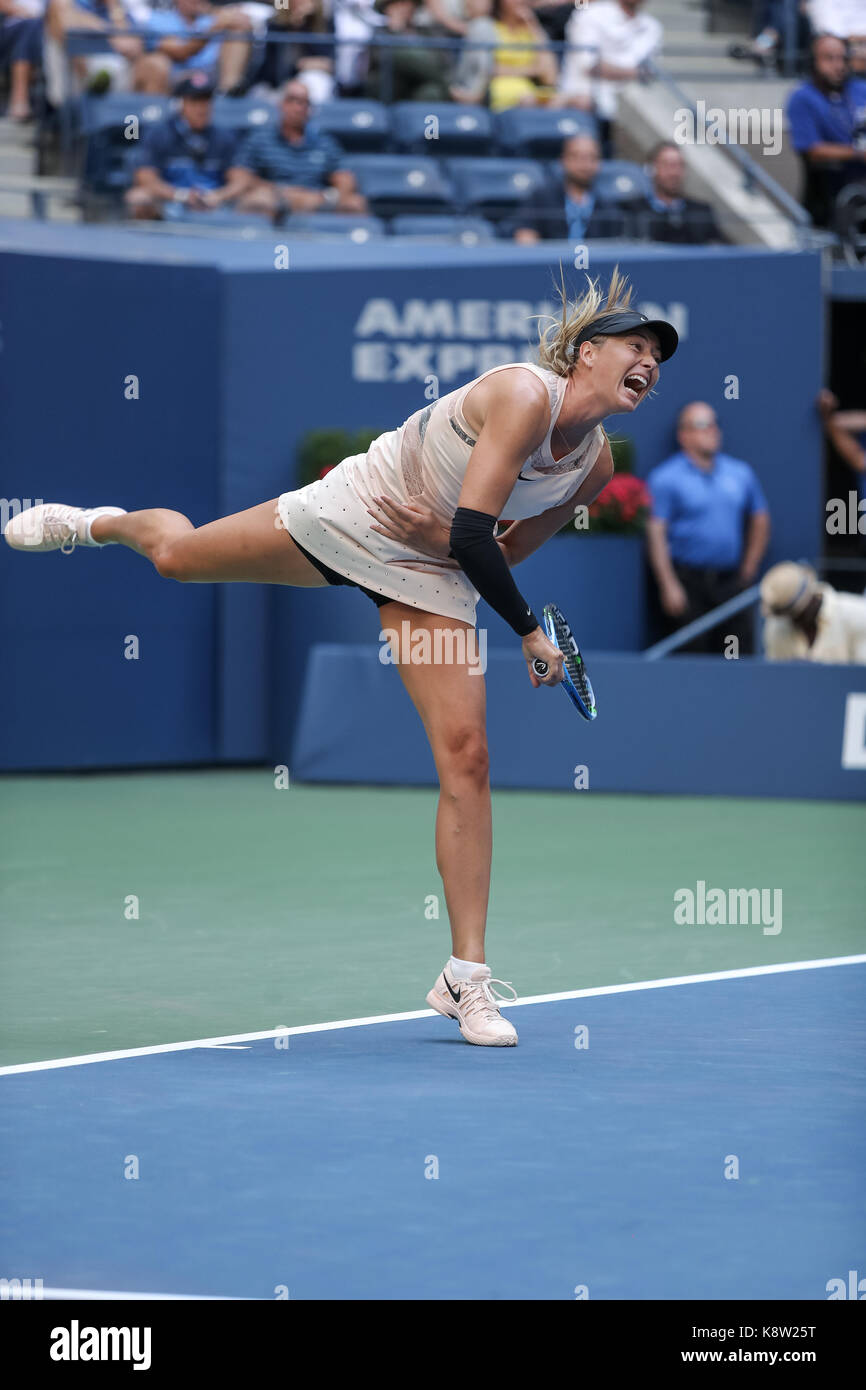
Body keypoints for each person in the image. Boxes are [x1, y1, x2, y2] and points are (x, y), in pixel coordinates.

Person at [4, 272, 678, 1047]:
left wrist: (510, 602)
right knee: (178, 559)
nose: (650, 363)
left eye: (658, 356)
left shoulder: (595, 467)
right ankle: (101, 523)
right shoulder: (524, 396)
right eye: (636, 345)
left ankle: (466, 979)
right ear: (586, 353)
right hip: (357, 511)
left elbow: (503, 548)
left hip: (429, 575)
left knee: (467, 756)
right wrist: (529, 632)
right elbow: (470, 536)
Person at [646, 402, 771, 655]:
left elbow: (760, 516)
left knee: (738, 652)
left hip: (731, 582)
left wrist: (750, 566)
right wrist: (668, 584)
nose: (713, 430)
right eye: (703, 425)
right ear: (684, 435)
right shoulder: (665, 478)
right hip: (688, 582)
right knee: (690, 655)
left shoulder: (740, 473)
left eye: (715, 423)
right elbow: (656, 532)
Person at [125, 70, 253, 219]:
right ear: (180, 104)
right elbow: (145, 177)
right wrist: (181, 195)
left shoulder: (224, 136)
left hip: (216, 205)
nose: (201, 108)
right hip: (169, 203)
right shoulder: (159, 133)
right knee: (138, 198)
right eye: (195, 101)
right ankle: (147, 241)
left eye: (206, 101)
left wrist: (219, 196)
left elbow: (242, 179)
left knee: (258, 200)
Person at [234, 78, 366, 216]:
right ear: (281, 104)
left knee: (355, 203)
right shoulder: (260, 138)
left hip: (315, 201)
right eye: (292, 100)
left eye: (305, 103)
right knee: (256, 201)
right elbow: (239, 174)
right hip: (274, 197)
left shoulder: (324, 141)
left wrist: (331, 197)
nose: (298, 108)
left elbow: (344, 178)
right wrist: (281, 192)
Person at [557, 0, 662, 150]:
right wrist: (634, 72)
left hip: (630, 105)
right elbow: (589, 65)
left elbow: (651, 70)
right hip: (584, 101)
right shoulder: (590, 14)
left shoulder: (652, 26)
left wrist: (618, 70)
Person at [787, 34, 866, 227]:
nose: (838, 66)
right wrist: (858, 154)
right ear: (813, 62)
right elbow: (812, 150)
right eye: (829, 58)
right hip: (830, 197)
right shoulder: (802, 98)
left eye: (843, 58)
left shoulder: (859, 89)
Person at [511, 132, 630, 241]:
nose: (585, 165)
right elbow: (525, 237)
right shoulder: (540, 198)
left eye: (592, 158)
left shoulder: (608, 207)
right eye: (577, 157)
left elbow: (615, 250)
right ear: (564, 160)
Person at [761, 563, 866, 662]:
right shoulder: (775, 627)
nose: (792, 620)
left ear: (810, 600)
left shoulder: (858, 615)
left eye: (796, 614)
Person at [626, 142, 723, 245]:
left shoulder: (701, 212)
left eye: (679, 165)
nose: (674, 173)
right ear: (651, 169)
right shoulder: (632, 211)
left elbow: (717, 250)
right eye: (668, 165)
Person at [364, 0, 452, 103]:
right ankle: (448, 86)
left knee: (432, 91)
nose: (404, 8)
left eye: (408, 3)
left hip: (420, 83)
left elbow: (440, 59)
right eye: (398, 4)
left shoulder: (426, 32)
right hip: (394, 84)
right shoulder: (379, 32)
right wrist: (396, 31)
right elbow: (382, 58)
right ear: (387, 8)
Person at [485, 0, 557, 111]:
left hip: (530, 91)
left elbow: (549, 77)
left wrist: (534, 25)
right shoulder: (489, 27)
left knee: (561, 101)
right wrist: (532, 70)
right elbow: (488, 69)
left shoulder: (533, 31)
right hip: (498, 90)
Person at [0, 0, 43, 121]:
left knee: (32, 29)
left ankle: (20, 100)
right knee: (30, 27)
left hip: (44, 31)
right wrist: (26, 13)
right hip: (11, 27)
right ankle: (20, 97)